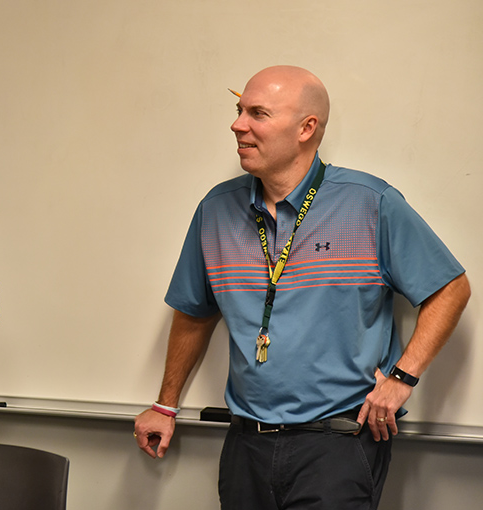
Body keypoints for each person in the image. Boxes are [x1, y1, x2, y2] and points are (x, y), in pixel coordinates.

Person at [133, 65, 470, 509]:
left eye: (258, 113)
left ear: (306, 128)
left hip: (338, 444)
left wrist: (402, 379)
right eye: (238, 110)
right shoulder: (216, 209)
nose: (238, 124)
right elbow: (195, 313)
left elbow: (450, 288)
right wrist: (165, 405)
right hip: (246, 444)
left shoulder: (369, 203)